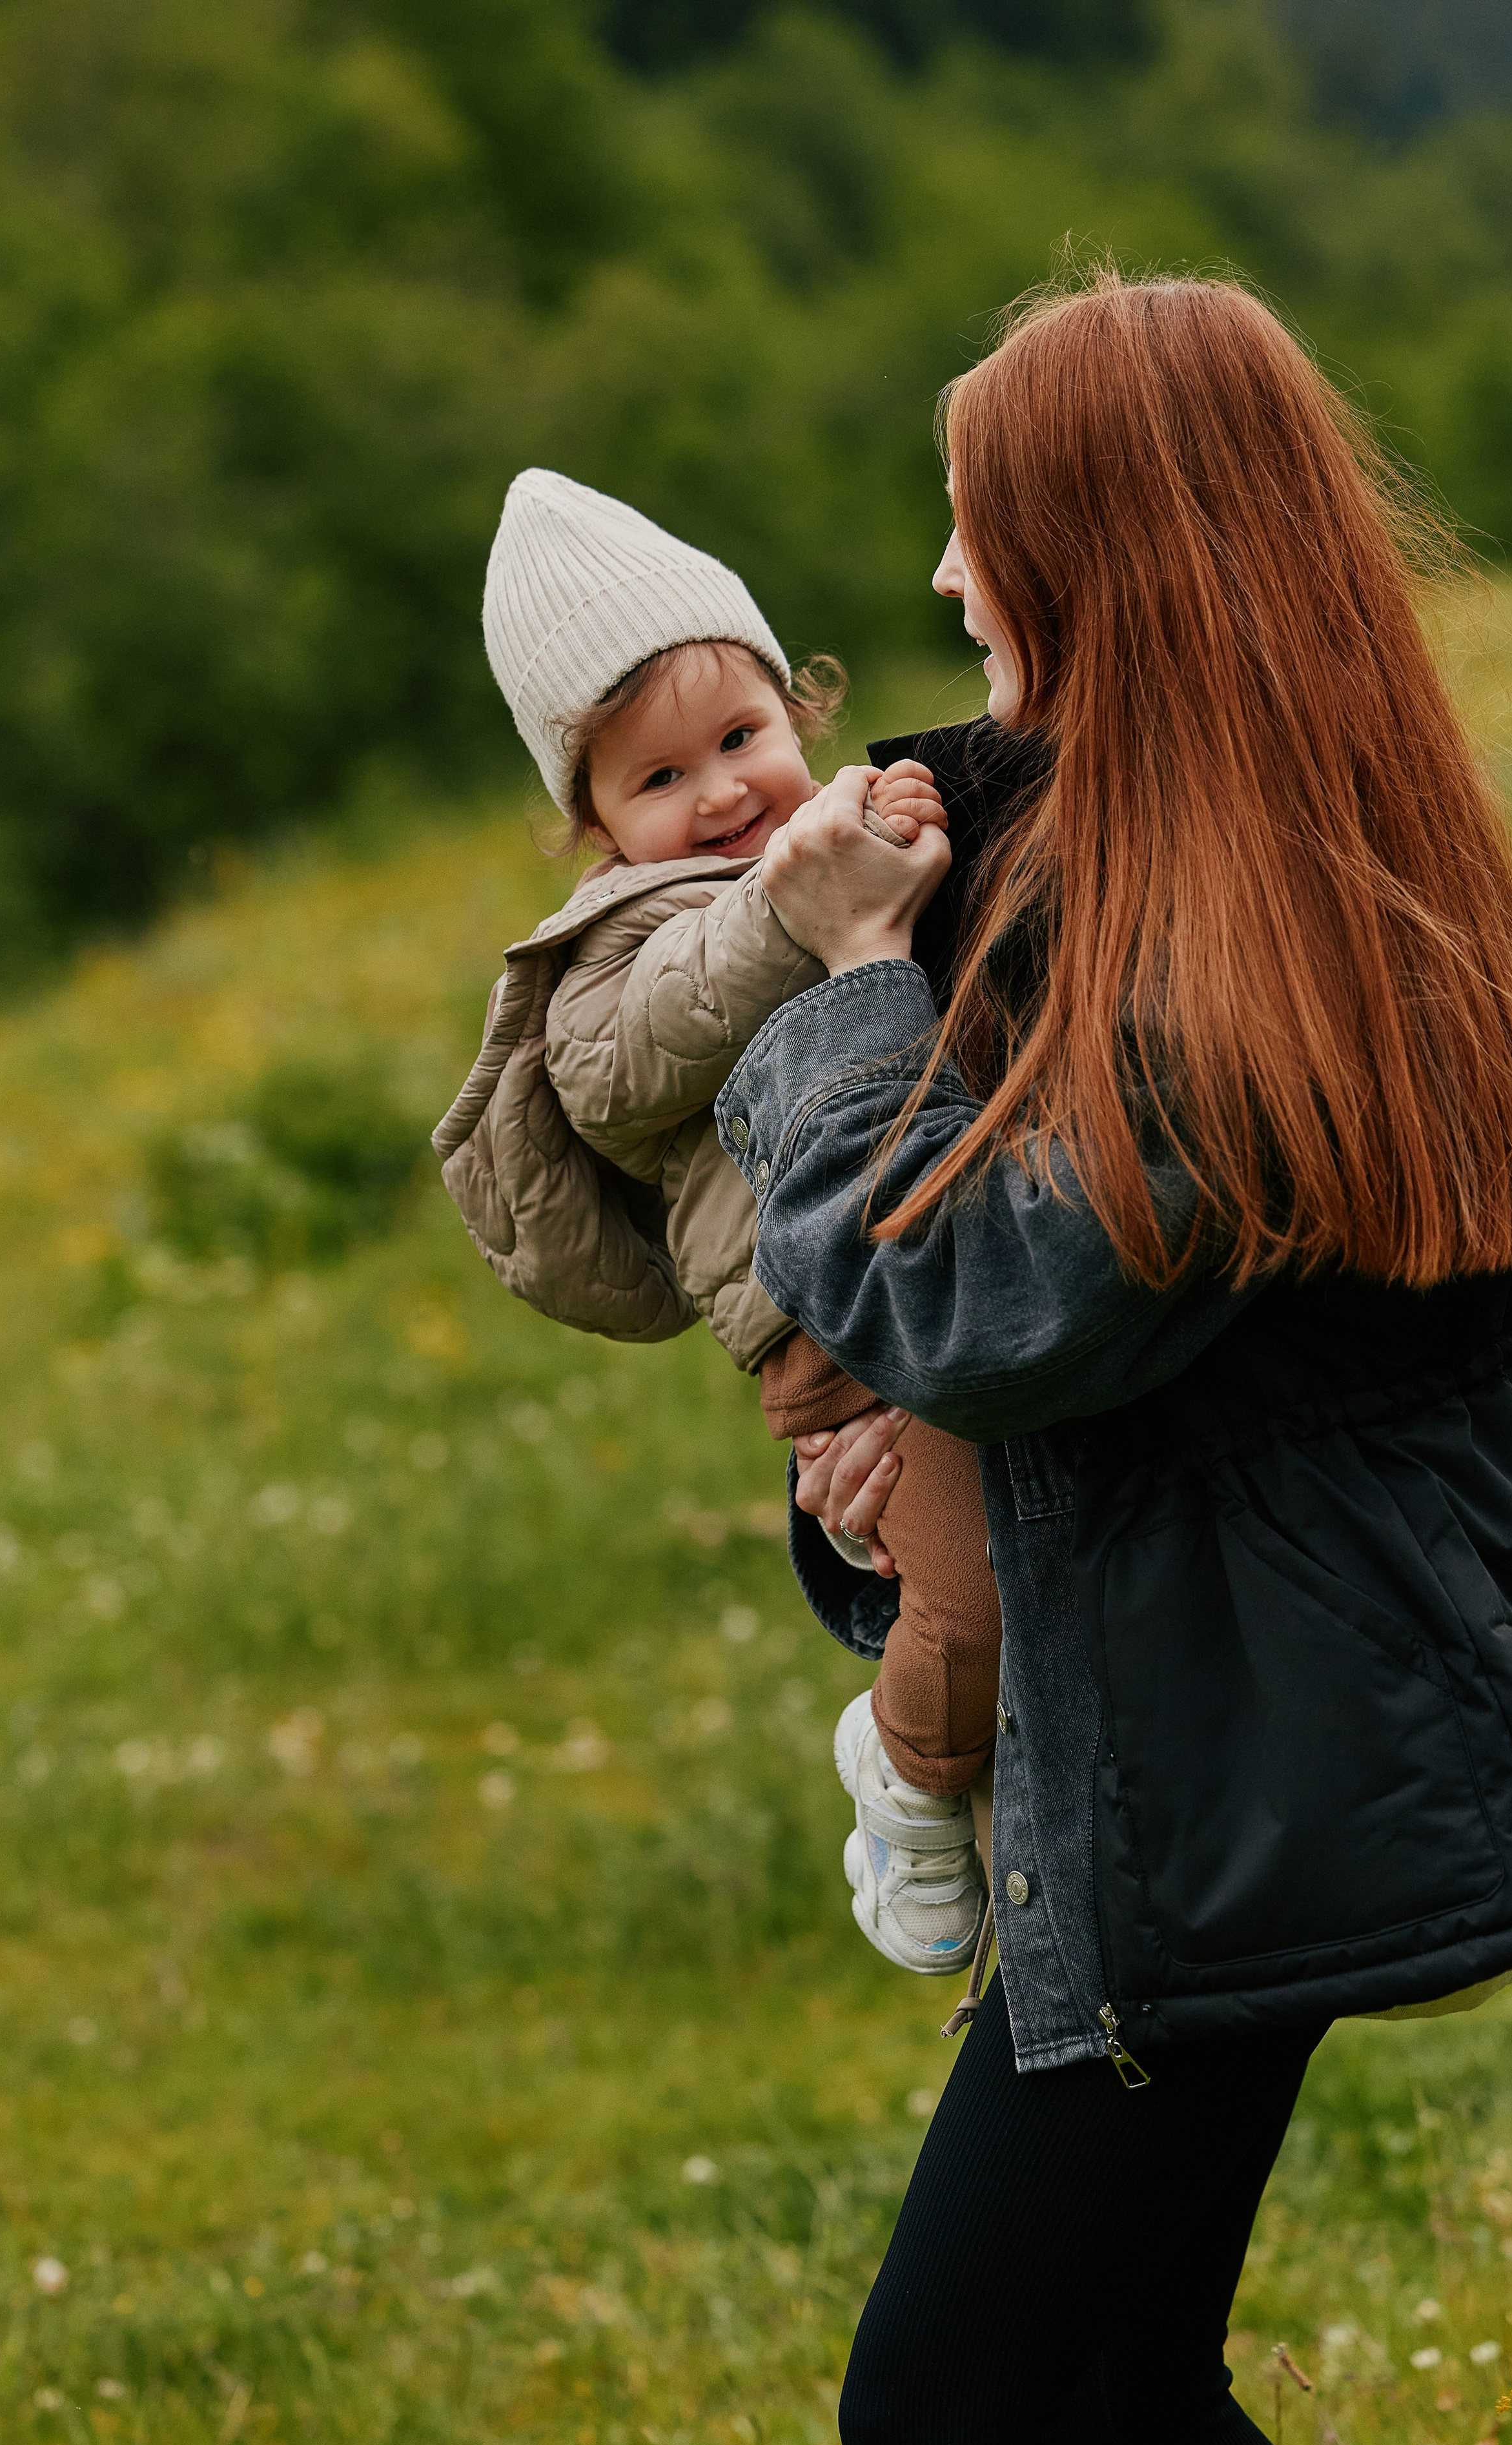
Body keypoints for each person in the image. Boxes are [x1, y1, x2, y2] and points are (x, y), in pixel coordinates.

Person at [714, 271, 1512, 2445]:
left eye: (980, 522)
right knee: (1118, 2394)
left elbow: (974, 1304)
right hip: (1225, 1745)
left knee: (949, 2412)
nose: (947, 573)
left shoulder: (1243, 952)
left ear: (1106, 552)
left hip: (1223, 1779)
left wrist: (856, 973)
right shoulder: (1245, 877)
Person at [433, 468, 1004, 1976]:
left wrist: (911, 831)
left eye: (742, 738)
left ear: (796, 711)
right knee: (975, 1590)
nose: (722, 794)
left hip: (951, 1250)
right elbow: (623, 1070)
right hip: (824, 1324)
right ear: (594, 828)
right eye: (658, 780)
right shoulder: (617, 944)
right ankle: (908, 1782)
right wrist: (786, 909)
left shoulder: (826, 850)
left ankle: (1000, 1795)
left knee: (1043, 1563)